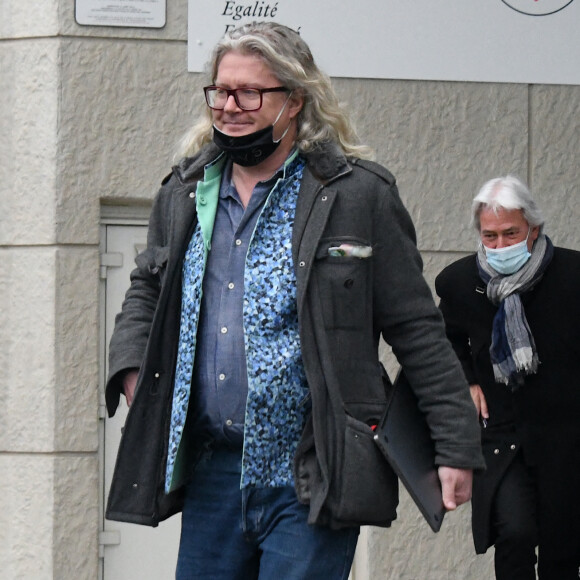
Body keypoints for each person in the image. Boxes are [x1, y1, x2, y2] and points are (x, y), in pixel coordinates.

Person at [105, 21, 484, 579]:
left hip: (313, 470)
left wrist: (456, 447)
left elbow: (417, 329)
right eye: (221, 91)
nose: (230, 106)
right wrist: (133, 366)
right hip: (214, 472)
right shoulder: (185, 191)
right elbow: (148, 286)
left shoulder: (357, 196)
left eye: (249, 92)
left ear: (295, 101)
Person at [435, 175, 580, 580]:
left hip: (565, 438)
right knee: (513, 535)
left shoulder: (572, 276)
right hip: (502, 436)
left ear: (533, 229)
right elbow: (440, 341)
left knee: (562, 551)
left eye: (511, 233)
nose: (500, 246)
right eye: (490, 235)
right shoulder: (460, 283)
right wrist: (465, 380)